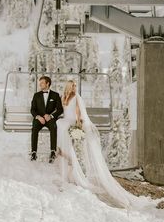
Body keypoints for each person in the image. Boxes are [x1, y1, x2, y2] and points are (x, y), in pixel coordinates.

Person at [57, 80, 137, 209]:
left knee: (63, 128)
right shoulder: (64, 97)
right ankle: (65, 163)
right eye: (73, 86)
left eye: (75, 86)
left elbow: (78, 111)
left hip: (71, 121)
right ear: (68, 87)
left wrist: (78, 123)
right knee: (60, 125)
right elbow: (63, 110)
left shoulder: (76, 97)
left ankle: (70, 168)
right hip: (66, 120)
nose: (74, 88)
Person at [30, 76, 63, 163]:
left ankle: (52, 152)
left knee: (54, 127)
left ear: (47, 83)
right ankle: (33, 152)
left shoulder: (55, 95)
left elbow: (60, 109)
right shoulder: (36, 95)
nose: (40, 85)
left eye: (42, 83)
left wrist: (51, 116)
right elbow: (32, 109)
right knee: (34, 128)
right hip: (39, 119)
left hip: (50, 119)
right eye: (39, 83)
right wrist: (38, 117)